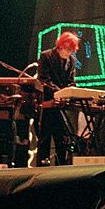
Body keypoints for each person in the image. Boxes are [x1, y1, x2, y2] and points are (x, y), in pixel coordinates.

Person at [36, 31, 79, 166]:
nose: (68, 53)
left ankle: (61, 167)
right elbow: (44, 80)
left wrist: (71, 91)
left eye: (71, 51)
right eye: (66, 49)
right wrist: (60, 93)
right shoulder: (46, 56)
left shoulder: (72, 61)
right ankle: (42, 168)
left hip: (61, 106)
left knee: (62, 139)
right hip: (48, 103)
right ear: (60, 46)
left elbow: (71, 81)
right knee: (45, 139)